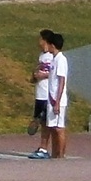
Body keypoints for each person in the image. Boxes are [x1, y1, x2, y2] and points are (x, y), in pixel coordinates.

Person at [28, 29, 55, 160]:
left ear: (45, 40)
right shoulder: (42, 56)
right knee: (39, 121)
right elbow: (38, 70)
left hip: (47, 94)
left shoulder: (53, 56)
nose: (38, 42)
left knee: (46, 122)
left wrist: (43, 75)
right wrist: (35, 76)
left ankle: (44, 148)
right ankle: (42, 147)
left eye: (40, 39)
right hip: (40, 93)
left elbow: (55, 73)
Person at [46, 32, 68, 159]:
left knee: (59, 128)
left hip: (57, 99)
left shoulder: (61, 60)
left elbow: (61, 81)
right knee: (53, 128)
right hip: (51, 98)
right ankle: (55, 154)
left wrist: (58, 102)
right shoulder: (54, 59)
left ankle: (61, 155)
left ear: (52, 45)